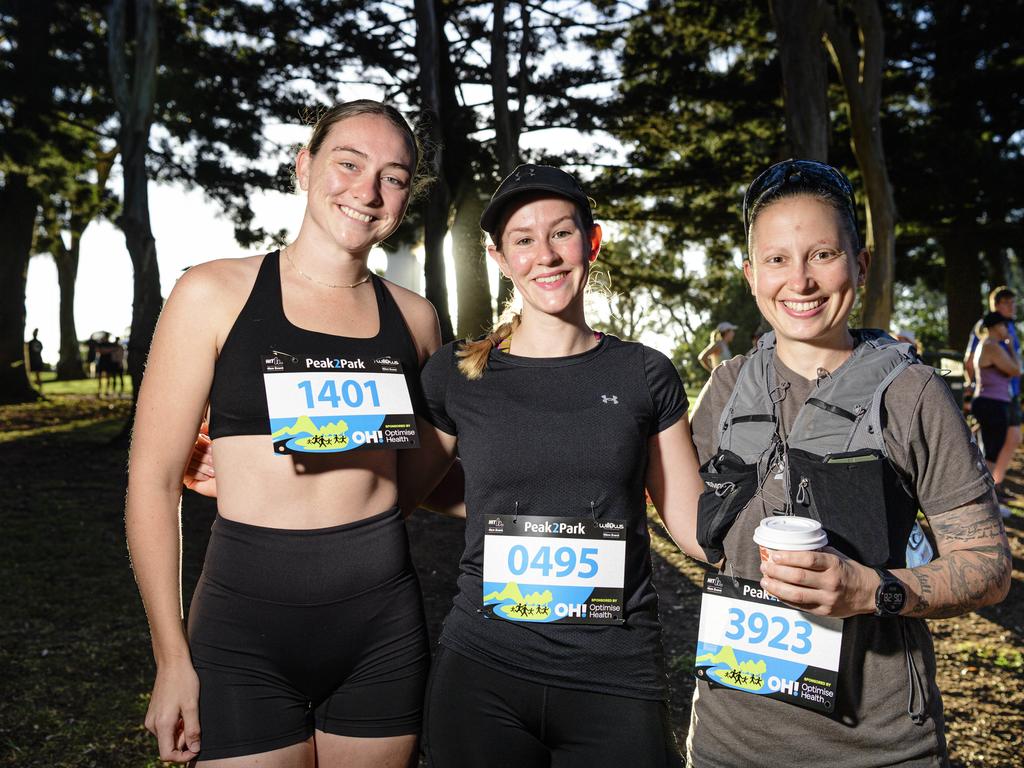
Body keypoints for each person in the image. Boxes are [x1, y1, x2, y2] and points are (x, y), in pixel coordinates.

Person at [126, 100, 447, 767]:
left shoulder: (417, 320)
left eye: (392, 176)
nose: (367, 190)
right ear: (304, 167)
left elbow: (414, 473)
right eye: (348, 163)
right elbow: (152, 484)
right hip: (243, 633)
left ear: (406, 196)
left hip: (382, 632)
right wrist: (170, 656)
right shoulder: (213, 293)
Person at [686, 159, 1010, 767]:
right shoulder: (726, 388)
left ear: (859, 265)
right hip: (729, 743)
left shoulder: (913, 391)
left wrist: (871, 589)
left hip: (878, 747)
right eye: (777, 259)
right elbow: (690, 523)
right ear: (751, 274)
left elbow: (989, 567)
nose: (800, 281)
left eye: (823, 254)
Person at [402, 164, 706, 767]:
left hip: (614, 675)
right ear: (499, 257)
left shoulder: (644, 374)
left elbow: (693, 524)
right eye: (523, 239)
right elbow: (401, 491)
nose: (545, 254)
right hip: (483, 672)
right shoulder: (458, 374)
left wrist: (798, 548)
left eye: (562, 233)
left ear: (590, 243)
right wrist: (255, 481)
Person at [965, 286, 1021, 502]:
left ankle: (991, 490)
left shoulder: (992, 342)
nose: (1006, 327)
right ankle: (986, 496)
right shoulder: (992, 344)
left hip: (997, 399)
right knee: (989, 452)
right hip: (993, 401)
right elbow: (1016, 369)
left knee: (993, 447)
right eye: (1007, 302)